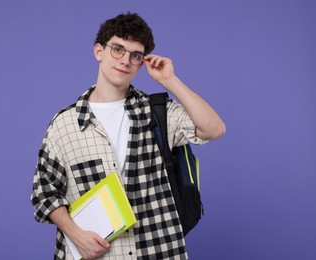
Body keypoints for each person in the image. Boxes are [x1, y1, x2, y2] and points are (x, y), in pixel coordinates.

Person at [31, 12, 225, 260]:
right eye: (117, 50)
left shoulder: (157, 113)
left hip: (158, 250)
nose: (125, 60)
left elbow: (214, 128)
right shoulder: (65, 124)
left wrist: (170, 80)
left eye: (135, 55)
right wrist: (76, 234)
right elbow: (44, 193)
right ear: (98, 51)